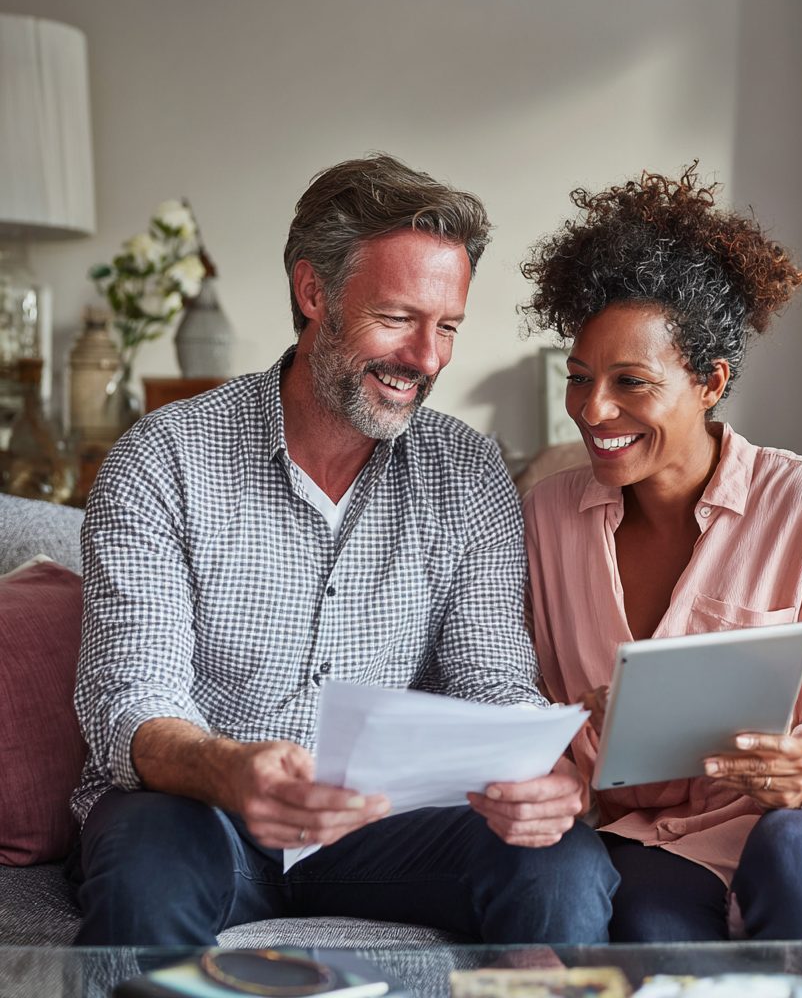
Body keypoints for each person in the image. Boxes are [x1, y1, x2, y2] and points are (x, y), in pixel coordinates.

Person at [70, 154, 617, 946]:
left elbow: (488, 672)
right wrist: (231, 768)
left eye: (449, 327)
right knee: (147, 863)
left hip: (389, 823)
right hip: (201, 813)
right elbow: (132, 697)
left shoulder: (468, 472)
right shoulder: (165, 459)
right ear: (313, 292)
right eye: (399, 318)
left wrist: (538, 767)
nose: (428, 358)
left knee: (561, 862)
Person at [519, 167, 802, 942]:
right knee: (647, 930)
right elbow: (535, 715)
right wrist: (590, 734)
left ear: (710, 381)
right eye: (580, 379)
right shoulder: (548, 517)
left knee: (794, 857)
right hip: (663, 830)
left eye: (631, 382)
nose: (594, 409)